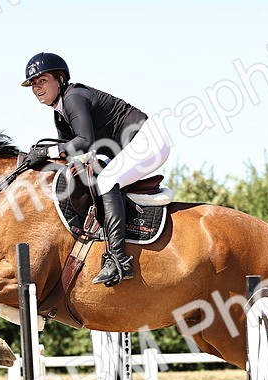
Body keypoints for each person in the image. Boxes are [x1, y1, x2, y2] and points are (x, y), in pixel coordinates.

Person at [21, 52, 171, 287]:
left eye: (42, 80)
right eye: (33, 84)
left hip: (148, 141)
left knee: (107, 181)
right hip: (129, 147)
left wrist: (45, 153)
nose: (36, 88)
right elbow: (72, 155)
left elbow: (84, 143)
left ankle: (119, 260)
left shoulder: (73, 97)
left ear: (60, 79)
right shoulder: (59, 114)